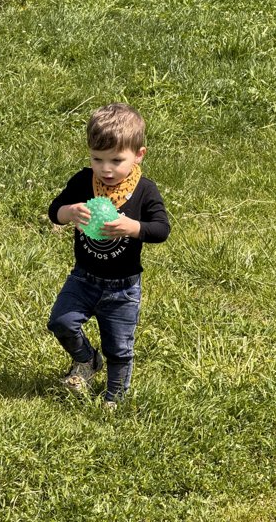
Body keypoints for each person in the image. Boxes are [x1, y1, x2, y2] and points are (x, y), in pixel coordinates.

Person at [47, 103, 170, 407]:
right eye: (97, 159)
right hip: (83, 278)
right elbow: (54, 211)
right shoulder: (83, 182)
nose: (106, 168)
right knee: (61, 322)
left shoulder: (144, 191)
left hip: (123, 287)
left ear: (139, 154)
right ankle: (87, 358)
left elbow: (161, 229)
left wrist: (133, 227)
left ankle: (115, 396)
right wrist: (69, 212)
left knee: (119, 347)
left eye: (117, 159)